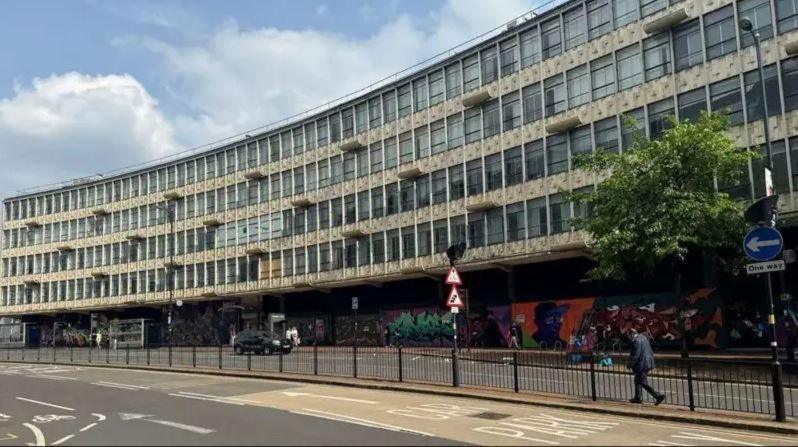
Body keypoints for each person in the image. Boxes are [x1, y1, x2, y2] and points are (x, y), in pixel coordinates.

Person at [627, 327, 665, 405]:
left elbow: (636, 355)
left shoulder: (636, 341)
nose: (629, 337)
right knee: (637, 380)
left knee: (642, 381)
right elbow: (650, 350)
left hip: (642, 364)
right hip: (648, 362)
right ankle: (638, 398)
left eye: (629, 335)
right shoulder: (643, 337)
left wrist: (630, 364)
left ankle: (658, 396)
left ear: (631, 334)